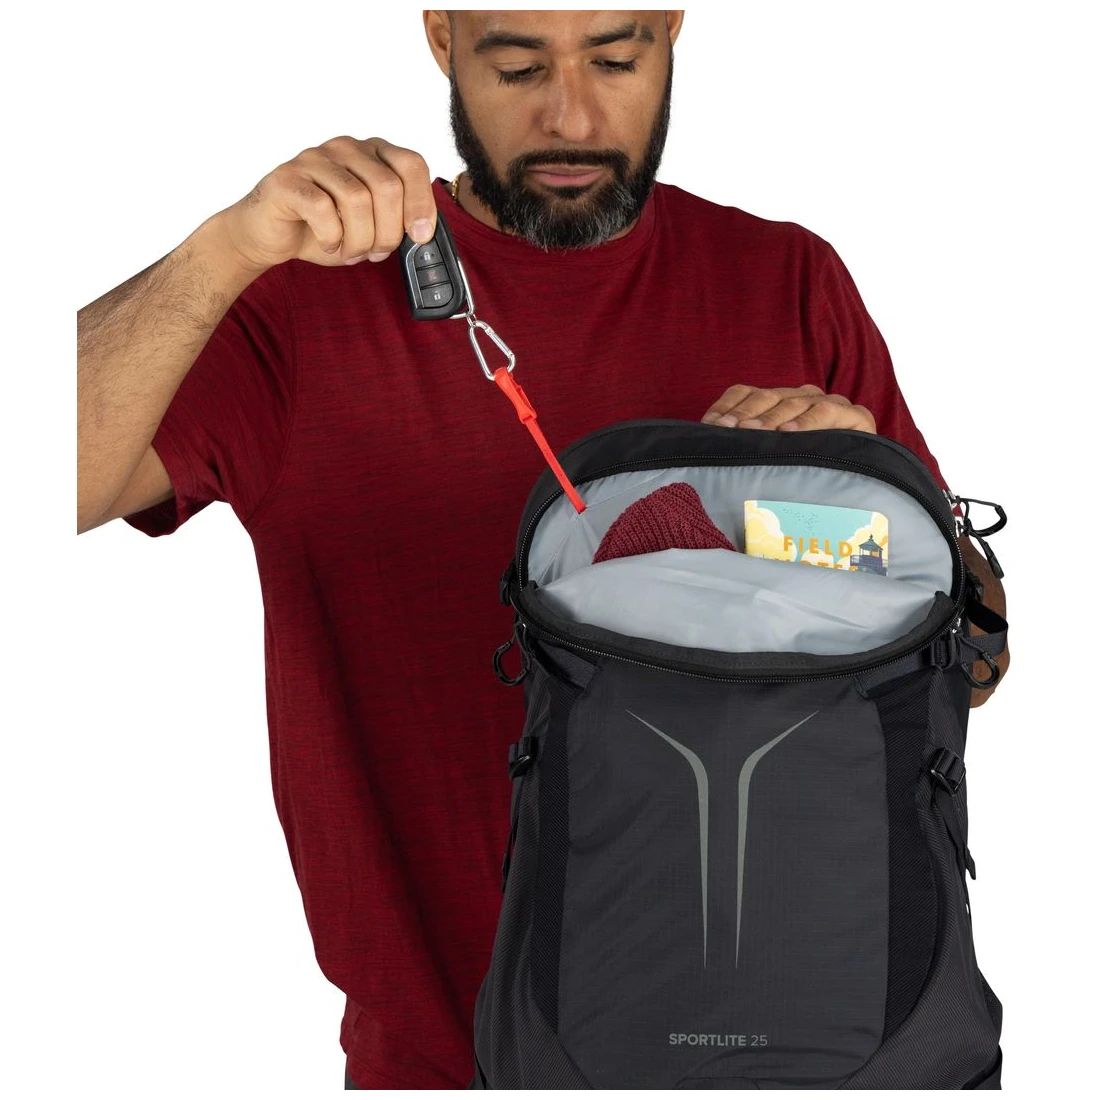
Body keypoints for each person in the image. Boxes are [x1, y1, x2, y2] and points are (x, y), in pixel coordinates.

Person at [76, 10, 1009, 1090]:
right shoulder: (296, 296)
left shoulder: (788, 278)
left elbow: (975, 665)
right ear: (442, 38)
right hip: (445, 1065)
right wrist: (220, 252)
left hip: (824, 1054)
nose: (570, 116)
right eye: (517, 65)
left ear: (672, 27)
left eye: (615, 58)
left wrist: (878, 500)